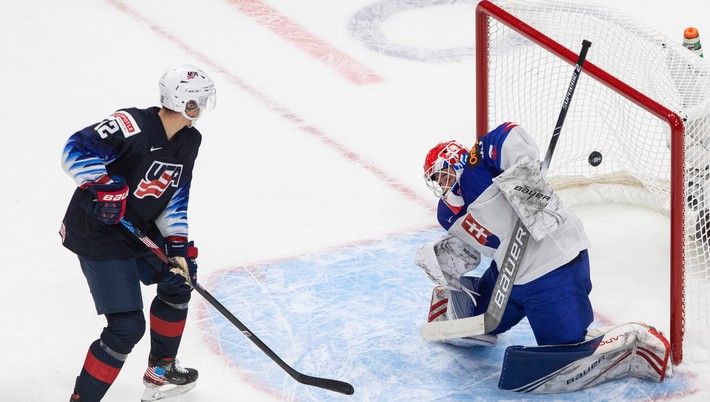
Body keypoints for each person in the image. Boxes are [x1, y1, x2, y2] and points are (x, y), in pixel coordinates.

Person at [415, 122, 671, 392]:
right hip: (508, 276)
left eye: (442, 174)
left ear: (456, 161)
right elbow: (475, 246)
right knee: (476, 321)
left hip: (554, 266)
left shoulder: (478, 166)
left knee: (563, 348)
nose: (440, 183)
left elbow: (509, 134)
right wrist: (444, 256)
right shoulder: (448, 213)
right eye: (435, 180)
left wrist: (525, 179)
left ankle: (630, 346)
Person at [59, 64, 216, 402]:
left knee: (179, 279)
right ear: (186, 103)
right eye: (198, 101)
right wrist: (103, 185)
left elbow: (175, 196)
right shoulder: (132, 125)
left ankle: (161, 370)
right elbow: (75, 149)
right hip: (97, 233)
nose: (202, 107)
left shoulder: (190, 140)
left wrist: (176, 246)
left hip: (137, 230)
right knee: (127, 327)